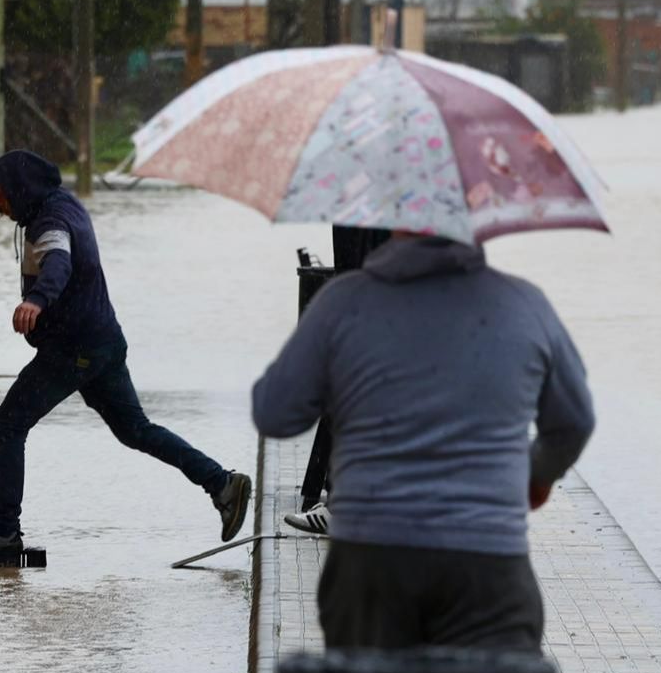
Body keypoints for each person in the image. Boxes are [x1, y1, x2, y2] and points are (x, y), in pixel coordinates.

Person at [252, 234, 595, 651]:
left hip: (370, 569)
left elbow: (274, 411)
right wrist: (535, 478)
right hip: (489, 569)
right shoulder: (524, 304)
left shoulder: (343, 302)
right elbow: (573, 423)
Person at [0, 150, 252, 551]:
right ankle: (222, 483)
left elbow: (59, 261)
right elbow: (38, 224)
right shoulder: (62, 202)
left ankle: (5, 530)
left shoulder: (51, 225)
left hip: (73, 349)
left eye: (1, 195)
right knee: (136, 431)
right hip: (104, 341)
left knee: (8, 424)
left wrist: (36, 300)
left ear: (22, 193)